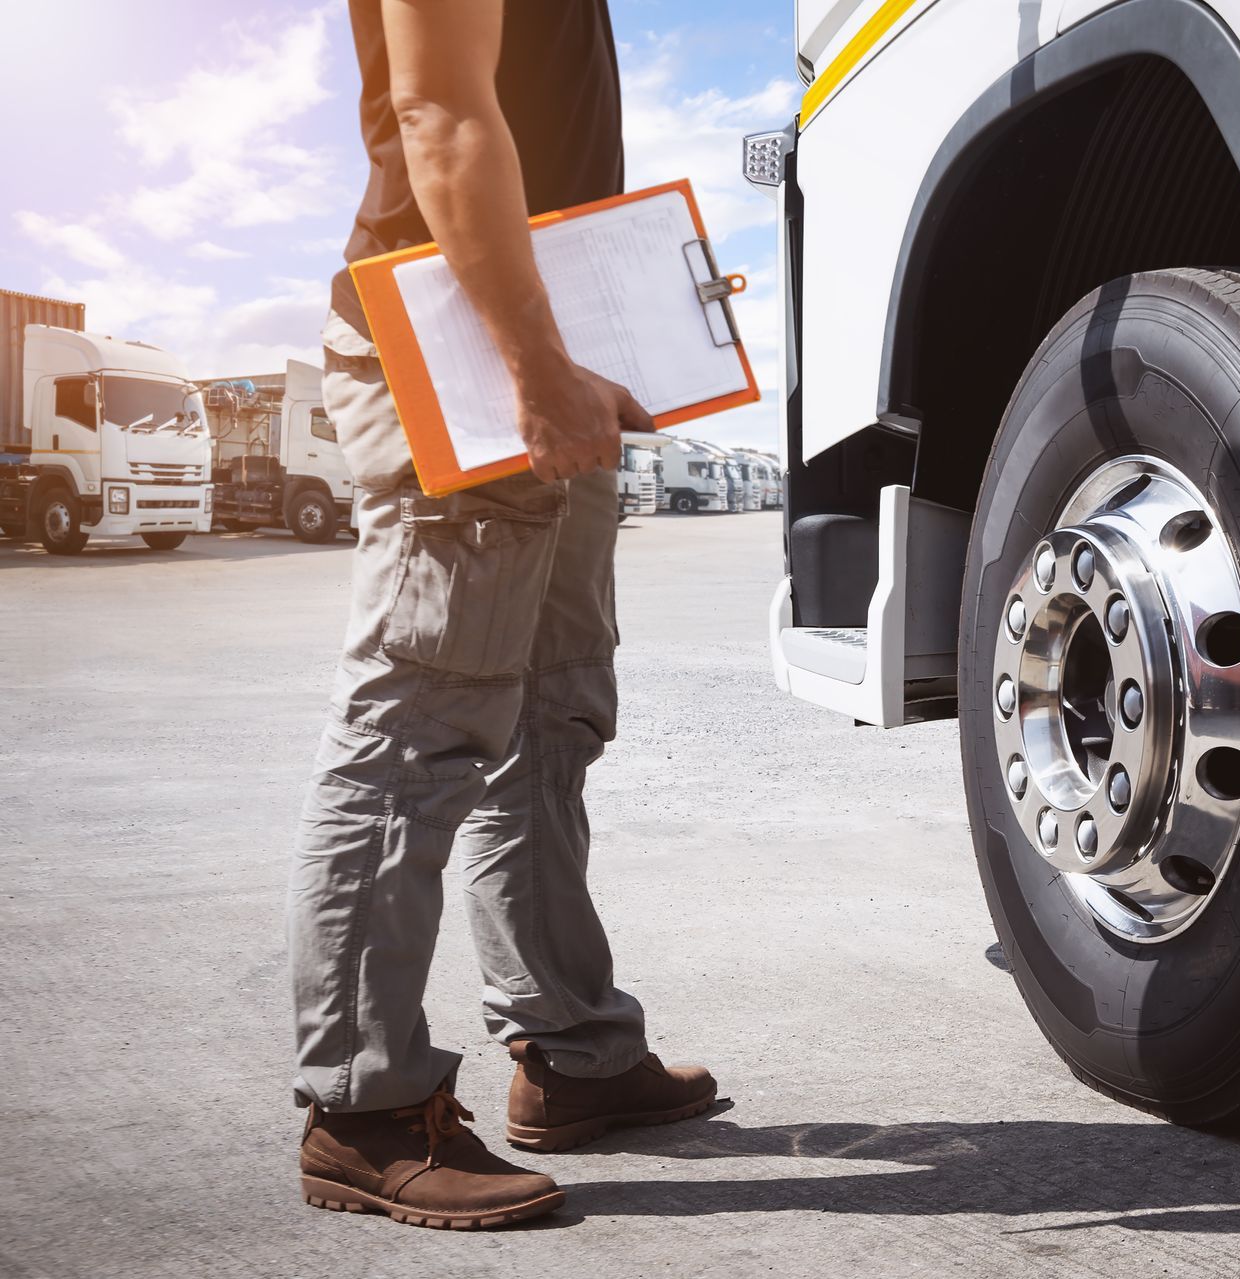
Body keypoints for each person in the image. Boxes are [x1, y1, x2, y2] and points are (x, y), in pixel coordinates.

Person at [288, 0, 713, 1230]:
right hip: (460, 344)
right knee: (416, 728)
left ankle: (572, 1054)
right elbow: (439, 109)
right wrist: (531, 368)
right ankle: (363, 1112)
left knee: (551, 716)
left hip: (547, 341)